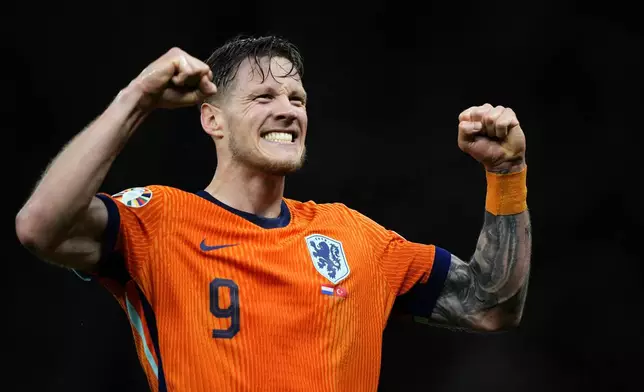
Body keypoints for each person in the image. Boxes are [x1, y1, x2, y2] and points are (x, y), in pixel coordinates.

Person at [15, 35, 532, 392]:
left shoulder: (354, 238)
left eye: (297, 97)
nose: (288, 108)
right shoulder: (159, 221)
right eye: (263, 96)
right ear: (212, 120)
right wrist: (138, 99)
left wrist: (508, 172)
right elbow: (40, 226)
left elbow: (490, 304)